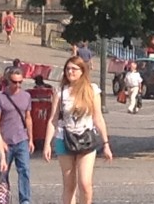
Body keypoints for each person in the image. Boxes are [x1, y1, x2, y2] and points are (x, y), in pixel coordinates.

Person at [43, 55, 112, 204]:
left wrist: (106, 144)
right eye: (67, 69)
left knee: (85, 184)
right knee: (69, 185)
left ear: (82, 71)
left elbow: (98, 118)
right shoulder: (60, 91)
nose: (70, 72)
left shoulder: (91, 90)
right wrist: (47, 144)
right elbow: (53, 119)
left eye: (74, 69)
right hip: (64, 138)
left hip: (86, 139)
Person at [0, 67, 33, 204]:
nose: (17, 85)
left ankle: (25, 200)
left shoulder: (27, 96)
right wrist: (0, 141)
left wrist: (31, 139)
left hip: (22, 139)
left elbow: (28, 118)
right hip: (6, 141)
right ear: (8, 81)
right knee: (3, 172)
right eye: (14, 82)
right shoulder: (1, 98)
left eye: (20, 82)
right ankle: (4, 199)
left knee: (25, 171)